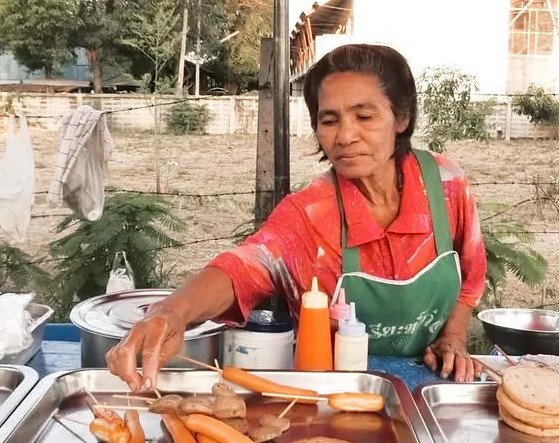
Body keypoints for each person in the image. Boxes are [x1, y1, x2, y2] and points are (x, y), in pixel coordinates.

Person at [107, 43, 487, 392]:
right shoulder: (308, 212)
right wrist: (172, 312)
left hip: (429, 383)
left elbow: (470, 278)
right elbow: (245, 266)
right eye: (330, 120)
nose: (345, 136)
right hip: (333, 390)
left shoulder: (445, 184)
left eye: (365, 116)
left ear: (400, 118)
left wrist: (452, 338)